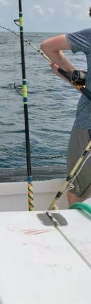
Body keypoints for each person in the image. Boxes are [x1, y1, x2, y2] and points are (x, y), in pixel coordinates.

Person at [41, 24, 91, 206]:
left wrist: (68, 70)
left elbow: (48, 46)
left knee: (78, 189)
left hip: (87, 127)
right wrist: (69, 76)